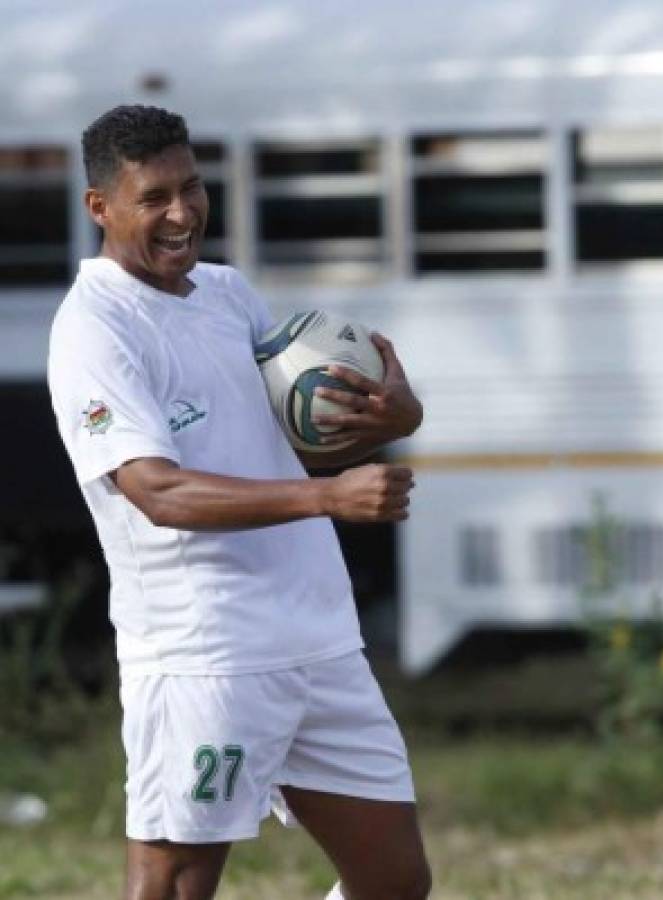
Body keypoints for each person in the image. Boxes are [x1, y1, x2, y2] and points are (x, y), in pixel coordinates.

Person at [48, 105, 431, 900]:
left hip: (318, 642)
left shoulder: (226, 294)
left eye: (192, 188)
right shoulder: (95, 327)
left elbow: (290, 440)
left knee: (394, 882)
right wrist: (328, 496)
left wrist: (391, 419)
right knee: (176, 888)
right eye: (154, 197)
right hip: (205, 657)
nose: (182, 213)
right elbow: (157, 490)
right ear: (101, 208)